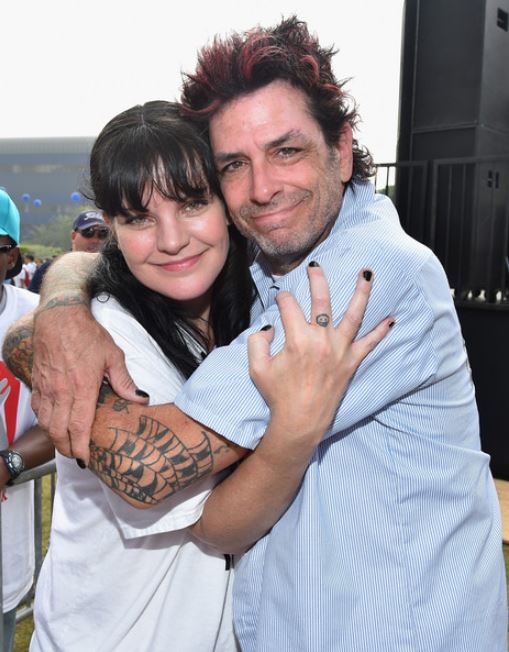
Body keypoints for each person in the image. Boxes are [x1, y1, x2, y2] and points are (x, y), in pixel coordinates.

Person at [6, 17, 506, 651]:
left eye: (287, 150)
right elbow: (219, 527)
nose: (263, 187)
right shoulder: (260, 270)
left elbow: (150, 471)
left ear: (343, 148)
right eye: (235, 165)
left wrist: (34, 338)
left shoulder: (368, 270)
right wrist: (65, 303)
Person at [14, 102, 387, 652]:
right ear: (112, 229)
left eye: (192, 204)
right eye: (138, 218)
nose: (171, 240)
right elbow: (149, 472)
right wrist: (295, 420)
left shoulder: (262, 303)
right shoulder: (110, 339)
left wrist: (61, 294)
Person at [0, 190, 53, 652]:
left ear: (11, 254)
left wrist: (8, 463)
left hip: (6, 533)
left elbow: (63, 421)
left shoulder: (36, 319)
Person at [29, 211, 109, 293]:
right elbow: (32, 301)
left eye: (103, 233)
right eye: (88, 232)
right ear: (73, 236)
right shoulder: (48, 269)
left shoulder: (110, 271)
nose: (95, 240)